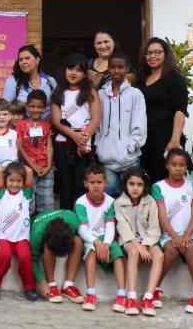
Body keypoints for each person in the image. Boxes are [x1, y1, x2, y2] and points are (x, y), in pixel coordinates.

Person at [153, 149, 193, 314]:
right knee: (172, 249)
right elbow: (161, 215)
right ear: (167, 166)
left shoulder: (192, 185)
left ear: (187, 167)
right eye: (174, 165)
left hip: (189, 233)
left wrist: (187, 235)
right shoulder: (158, 187)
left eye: (182, 165)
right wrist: (175, 236)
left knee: (189, 247)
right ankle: (154, 288)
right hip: (167, 234)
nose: (177, 168)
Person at [51, 54, 101, 211]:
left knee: (81, 183)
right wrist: (75, 136)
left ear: (85, 74)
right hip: (63, 143)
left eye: (78, 70)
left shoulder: (90, 91)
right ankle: (67, 221)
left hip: (84, 144)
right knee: (66, 185)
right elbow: (56, 120)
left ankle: (81, 223)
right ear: (64, 70)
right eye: (70, 68)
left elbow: (96, 117)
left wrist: (83, 140)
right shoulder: (58, 92)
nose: (73, 73)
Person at [136, 38, 188, 183]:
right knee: (146, 181)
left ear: (166, 55)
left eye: (157, 52)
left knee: (163, 181)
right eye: (149, 53)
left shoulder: (174, 79)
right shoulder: (141, 80)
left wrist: (175, 140)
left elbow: (180, 111)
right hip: (144, 139)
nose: (152, 56)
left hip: (165, 138)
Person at [75, 164, 125, 312]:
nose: (96, 186)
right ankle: (91, 294)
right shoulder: (81, 202)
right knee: (90, 254)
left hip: (105, 239)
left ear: (105, 183)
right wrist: (97, 243)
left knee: (118, 257)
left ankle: (122, 295)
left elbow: (110, 226)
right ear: (85, 184)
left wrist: (107, 244)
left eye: (99, 182)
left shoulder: (110, 202)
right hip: (90, 238)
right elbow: (82, 229)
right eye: (92, 182)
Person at [95, 51, 146, 197]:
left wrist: (131, 147)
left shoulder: (136, 94)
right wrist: (99, 146)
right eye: (112, 67)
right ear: (108, 68)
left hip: (130, 159)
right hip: (106, 159)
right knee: (108, 201)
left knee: (131, 201)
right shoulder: (100, 94)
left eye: (120, 67)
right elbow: (96, 124)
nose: (116, 71)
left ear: (127, 69)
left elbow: (140, 124)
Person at [114, 167, 163, 316]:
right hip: (129, 240)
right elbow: (123, 229)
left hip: (147, 239)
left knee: (159, 255)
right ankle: (132, 297)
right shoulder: (119, 202)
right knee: (134, 253)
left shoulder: (150, 201)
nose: (135, 188)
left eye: (139, 184)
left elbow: (155, 228)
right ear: (125, 185)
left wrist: (146, 245)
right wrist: (139, 247)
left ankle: (148, 297)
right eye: (131, 184)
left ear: (145, 186)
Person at [0, 162, 38, 301]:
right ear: (5, 180)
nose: (15, 184)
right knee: (4, 256)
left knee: (26, 257)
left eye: (18, 181)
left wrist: (19, 168)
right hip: (4, 236)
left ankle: (30, 287)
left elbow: (29, 171)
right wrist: (10, 168)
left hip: (21, 237)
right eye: (11, 180)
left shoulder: (26, 194)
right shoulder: (2, 193)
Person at [29, 209, 85, 305]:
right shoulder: (37, 233)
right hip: (40, 227)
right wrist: (42, 282)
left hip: (60, 228)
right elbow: (32, 261)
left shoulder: (73, 220)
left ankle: (68, 286)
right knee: (48, 247)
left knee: (78, 242)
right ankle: (52, 285)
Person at [16, 90, 54, 215]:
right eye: (32, 106)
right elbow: (20, 147)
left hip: (46, 168)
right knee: (28, 199)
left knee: (47, 200)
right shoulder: (21, 125)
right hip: (28, 168)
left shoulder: (46, 125)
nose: (35, 110)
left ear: (45, 107)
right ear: (27, 106)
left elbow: (49, 145)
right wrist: (33, 166)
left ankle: (45, 226)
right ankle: (28, 227)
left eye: (39, 107)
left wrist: (48, 166)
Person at [2, 45, 57, 117]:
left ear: (37, 60)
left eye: (27, 58)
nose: (23, 62)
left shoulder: (50, 81)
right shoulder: (13, 81)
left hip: (47, 126)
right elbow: (6, 109)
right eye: (20, 60)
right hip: (21, 127)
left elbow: (57, 106)